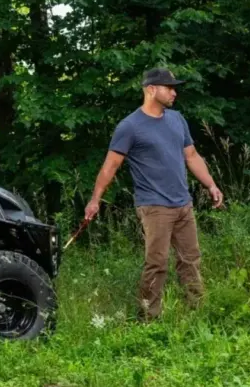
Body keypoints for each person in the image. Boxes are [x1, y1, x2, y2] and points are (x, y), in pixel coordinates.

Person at [84, 68, 224, 320]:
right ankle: (148, 319)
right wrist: (95, 199)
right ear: (151, 89)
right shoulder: (130, 126)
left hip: (183, 204)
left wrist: (211, 184)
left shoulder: (177, 119)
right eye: (168, 87)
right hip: (154, 206)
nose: (174, 92)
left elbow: (191, 156)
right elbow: (111, 166)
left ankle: (197, 314)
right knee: (157, 264)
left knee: (190, 260)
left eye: (174, 87)